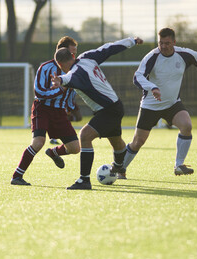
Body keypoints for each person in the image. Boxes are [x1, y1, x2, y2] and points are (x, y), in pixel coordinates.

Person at [118, 27, 197, 179]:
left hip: (172, 104)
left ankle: (179, 165)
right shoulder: (152, 57)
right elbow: (137, 77)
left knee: (187, 126)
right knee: (138, 142)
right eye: (160, 43)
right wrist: (152, 88)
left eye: (167, 43)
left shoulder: (183, 55)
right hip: (150, 106)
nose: (163, 46)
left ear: (174, 42)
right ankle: (120, 168)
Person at [51, 36, 144, 190]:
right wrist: (132, 40)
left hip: (107, 110)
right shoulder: (87, 57)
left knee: (85, 136)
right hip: (115, 106)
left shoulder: (74, 73)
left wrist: (59, 80)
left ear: (59, 64)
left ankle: (84, 180)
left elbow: (68, 78)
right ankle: (119, 166)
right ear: (73, 56)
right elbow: (109, 47)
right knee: (116, 141)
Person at [11, 36, 81, 185]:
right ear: (61, 53)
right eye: (72, 53)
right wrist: (60, 90)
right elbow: (39, 93)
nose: (74, 57)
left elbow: (71, 93)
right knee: (38, 142)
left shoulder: (74, 70)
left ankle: (53, 152)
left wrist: (72, 108)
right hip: (42, 109)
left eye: (75, 53)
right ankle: (17, 176)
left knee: (75, 148)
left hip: (59, 112)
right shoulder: (46, 68)